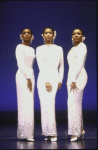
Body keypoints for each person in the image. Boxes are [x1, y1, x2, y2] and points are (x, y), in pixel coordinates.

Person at [36, 27, 64, 141]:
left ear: (53, 35)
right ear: (43, 35)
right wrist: (46, 81)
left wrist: (60, 80)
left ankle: (53, 132)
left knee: (50, 104)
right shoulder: (39, 48)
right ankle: (47, 133)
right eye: (46, 33)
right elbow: (41, 66)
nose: (48, 34)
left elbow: (61, 66)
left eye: (50, 33)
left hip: (54, 77)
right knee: (44, 105)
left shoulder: (59, 48)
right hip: (43, 78)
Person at [67, 28, 88, 141]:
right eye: (74, 33)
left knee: (74, 103)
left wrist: (74, 79)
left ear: (82, 36)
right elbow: (71, 66)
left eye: (78, 33)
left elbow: (79, 64)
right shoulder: (72, 48)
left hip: (79, 77)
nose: (76, 35)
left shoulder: (82, 47)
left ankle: (75, 132)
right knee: (73, 103)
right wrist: (69, 79)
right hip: (72, 78)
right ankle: (80, 129)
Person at [15, 28, 35, 141]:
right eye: (24, 33)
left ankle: (28, 133)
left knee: (29, 103)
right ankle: (25, 133)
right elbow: (20, 63)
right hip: (23, 76)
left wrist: (30, 77)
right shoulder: (19, 47)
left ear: (32, 36)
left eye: (28, 33)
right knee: (23, 102)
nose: (26, 34)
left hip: (31, 74)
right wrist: (27, 77)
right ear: (21, 35)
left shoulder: (32, 49)